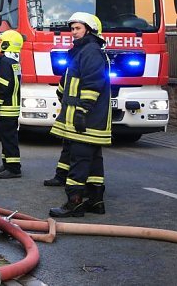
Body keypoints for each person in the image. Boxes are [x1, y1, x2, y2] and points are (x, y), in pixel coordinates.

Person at [48, 12, 111, 217]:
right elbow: (71, 78)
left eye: (78, 28)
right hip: (88, 116)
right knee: (93, 160)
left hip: (86, 117)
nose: (73, 32)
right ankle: (95, 201)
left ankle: (73, 203)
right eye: (72, 29)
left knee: (79, 159)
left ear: (89, 30)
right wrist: (62, 92)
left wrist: (82, 110)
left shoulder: (90, 51)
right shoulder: (83, 50)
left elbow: (92, 83)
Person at [0, 30, 24, 179]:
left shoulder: (5, 62)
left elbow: (3, 87)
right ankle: (7, 164)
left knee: (9, 139)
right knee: (7, 138)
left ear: (6, 44)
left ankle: (14, 168)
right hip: (13, 107)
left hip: (6, 108)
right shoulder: (14, 63)